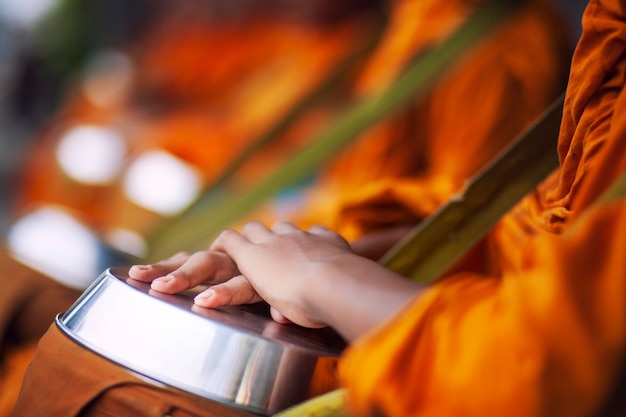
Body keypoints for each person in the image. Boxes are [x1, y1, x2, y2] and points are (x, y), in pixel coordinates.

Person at [12, 0, 626, 416]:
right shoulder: (418, 18)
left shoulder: (497, 42)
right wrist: (311, 251)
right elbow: (526, 221)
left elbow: (547, 368)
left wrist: (328, 277)